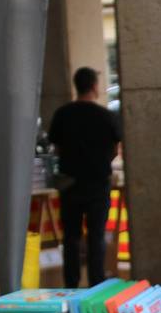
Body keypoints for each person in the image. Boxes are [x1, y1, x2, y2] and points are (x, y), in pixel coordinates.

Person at [48, 67, 122, 288]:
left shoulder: (62, 114)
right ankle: (96, 281)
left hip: (70, 185)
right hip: (98, 185)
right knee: (96, 236)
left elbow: (57, 147)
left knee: (71, 236)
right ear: (94, 86)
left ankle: (71, 283)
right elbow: (115, 148)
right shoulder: (106, 116)